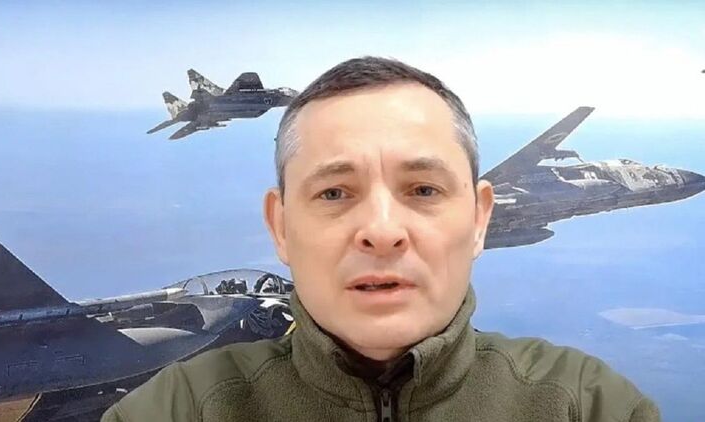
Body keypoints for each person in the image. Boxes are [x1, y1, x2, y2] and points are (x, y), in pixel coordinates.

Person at [102, 57, 660, 421]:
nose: (383, 231)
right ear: (280, 227)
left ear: (479, 219)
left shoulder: (590, 403)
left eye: (424, 189)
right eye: (334, 193)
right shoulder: (175, 409)